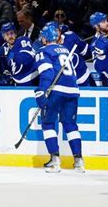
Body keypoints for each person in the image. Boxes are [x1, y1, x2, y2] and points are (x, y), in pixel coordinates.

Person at [34, 24, 84, 173]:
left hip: (56, 91)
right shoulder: (65, 49)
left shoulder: (43, 51)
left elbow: (47, 73)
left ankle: (55, 161)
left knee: (48, 123)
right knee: (70, 124)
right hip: (73, 90)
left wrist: (41, 91)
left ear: (44, 38)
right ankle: (79, 162)